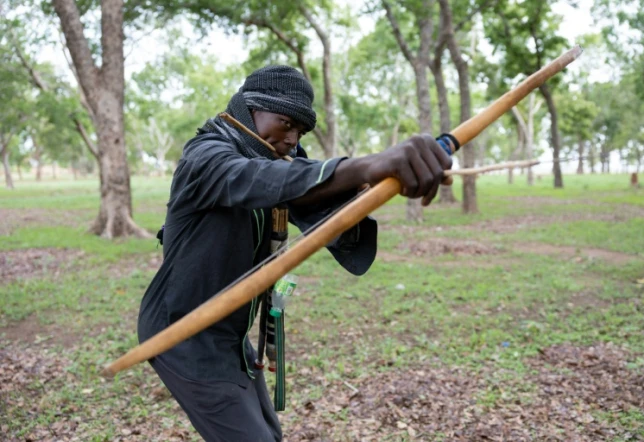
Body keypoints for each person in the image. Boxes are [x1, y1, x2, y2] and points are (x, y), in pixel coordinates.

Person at [137, 65, 453, 442]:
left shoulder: (274, 158)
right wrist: (365, 163)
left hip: (228, 335)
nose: (291, 139)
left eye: (300, 132)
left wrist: (363, 186)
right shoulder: (205, 156)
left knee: (269, 434)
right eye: (285, 124)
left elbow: (309, 197)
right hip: (182, 334)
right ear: (249, 109)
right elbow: (259, 180)